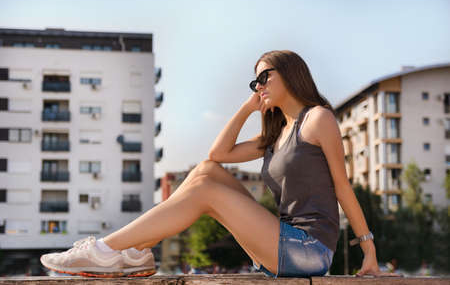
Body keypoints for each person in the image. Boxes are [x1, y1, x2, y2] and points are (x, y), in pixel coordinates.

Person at [40, 50, 400, 278]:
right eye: (253, 81)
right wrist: (247, 108)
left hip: (309, 250)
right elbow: (216, 156)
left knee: (207, 190)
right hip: (282, 242)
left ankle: (105, 250)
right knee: (206, 173)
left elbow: (342, 186)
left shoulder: (318, 119)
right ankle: (134, 252)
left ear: (290, 74)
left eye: (264, 77)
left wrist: (368, 249)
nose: (258, 86)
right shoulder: (277, 135)